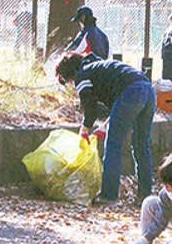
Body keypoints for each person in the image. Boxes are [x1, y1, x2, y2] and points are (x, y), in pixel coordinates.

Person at [55, 52, 155, 205]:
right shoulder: (99, 66)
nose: (70, 84)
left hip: (131, 92)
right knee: (141, 145)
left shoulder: (82, 75)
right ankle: (145, 196)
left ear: (70, 73)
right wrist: (104, 126)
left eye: (66, 80)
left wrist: (84, 129)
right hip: (148, 90)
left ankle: (109, 195)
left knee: (113, 145)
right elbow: (118, 103)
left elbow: (90, 107)